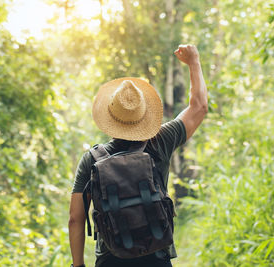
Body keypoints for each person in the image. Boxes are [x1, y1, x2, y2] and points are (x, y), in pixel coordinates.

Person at [68, 44, 208, 267]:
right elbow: (199, 106)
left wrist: (78, 265)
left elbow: (76, 219)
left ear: (110, 117)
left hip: (110, 259)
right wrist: (194, 62)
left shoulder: (92, 159)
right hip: (156, 256)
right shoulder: (160, 141)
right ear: (144, 115)